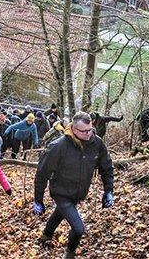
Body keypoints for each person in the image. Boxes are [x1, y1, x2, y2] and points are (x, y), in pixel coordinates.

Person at [33, 111, 114, 259]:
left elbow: (107, 167)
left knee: (60, 213)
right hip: (61, 192)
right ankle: (69, 253)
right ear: (74, 129)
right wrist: (38, 199)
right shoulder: (58, 146)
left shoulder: (97, 143)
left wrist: (108, 190)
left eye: (90, 129)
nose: (88, 134)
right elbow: (42, 173)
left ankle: (46, 235)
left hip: (79, 192)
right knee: (78, 229)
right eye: (84, 131)